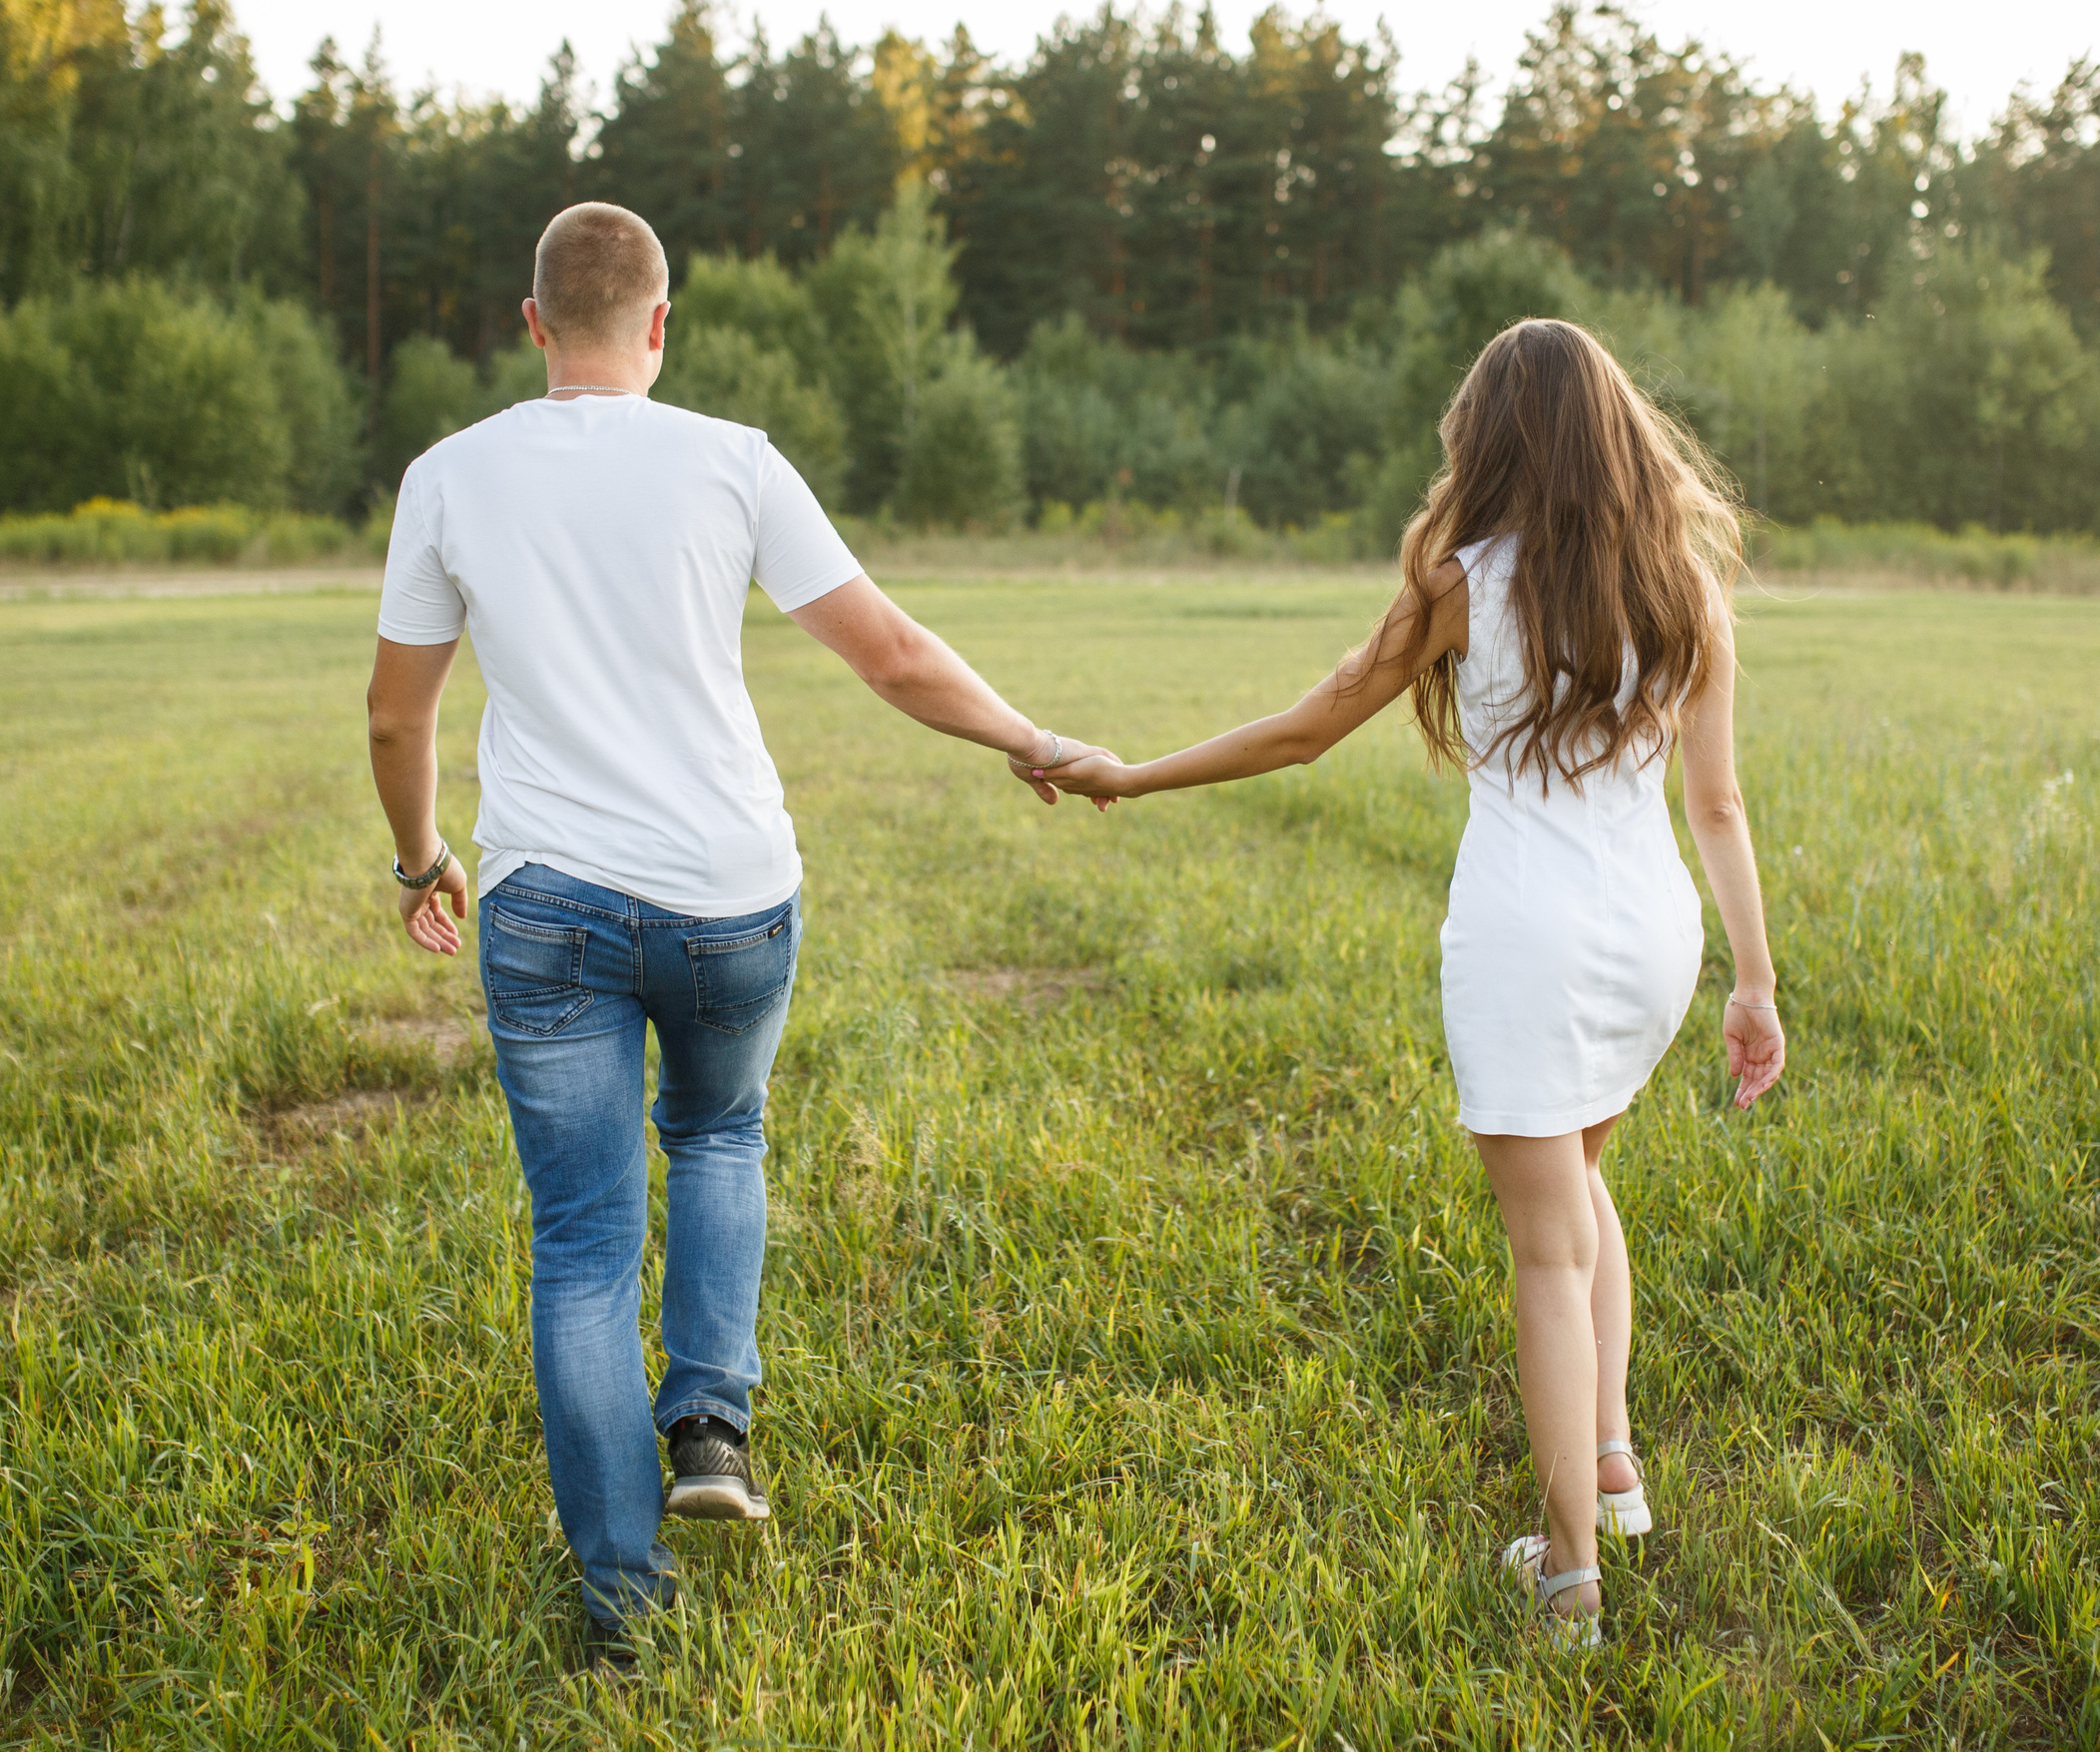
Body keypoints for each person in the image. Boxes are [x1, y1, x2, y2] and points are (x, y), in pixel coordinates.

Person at [363, 201, 1106, 1674]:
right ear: (658, 323)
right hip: (727, 895)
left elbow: (398, 712)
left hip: (547, 903)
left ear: (532, 327)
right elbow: (888, 649)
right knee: (717, 1137)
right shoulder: (730, 459)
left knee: (580, 1247)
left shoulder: (449, 476)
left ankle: (621, 1609)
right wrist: (1027, 737)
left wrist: (421, 859)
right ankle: (709, 1418)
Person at [1046, 317, 1784, 1647]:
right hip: (1653, 940)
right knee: (1583, 1190)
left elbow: (1310, 724)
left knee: (1547, 1248)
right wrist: (1754, 984)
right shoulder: (1685, 583)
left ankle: (1567, 1579)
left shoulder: (1460, 579)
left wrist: (1133, 773)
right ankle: (1609, 1473)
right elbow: (1718, 806)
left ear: (1490, 438)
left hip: (1527, 943)